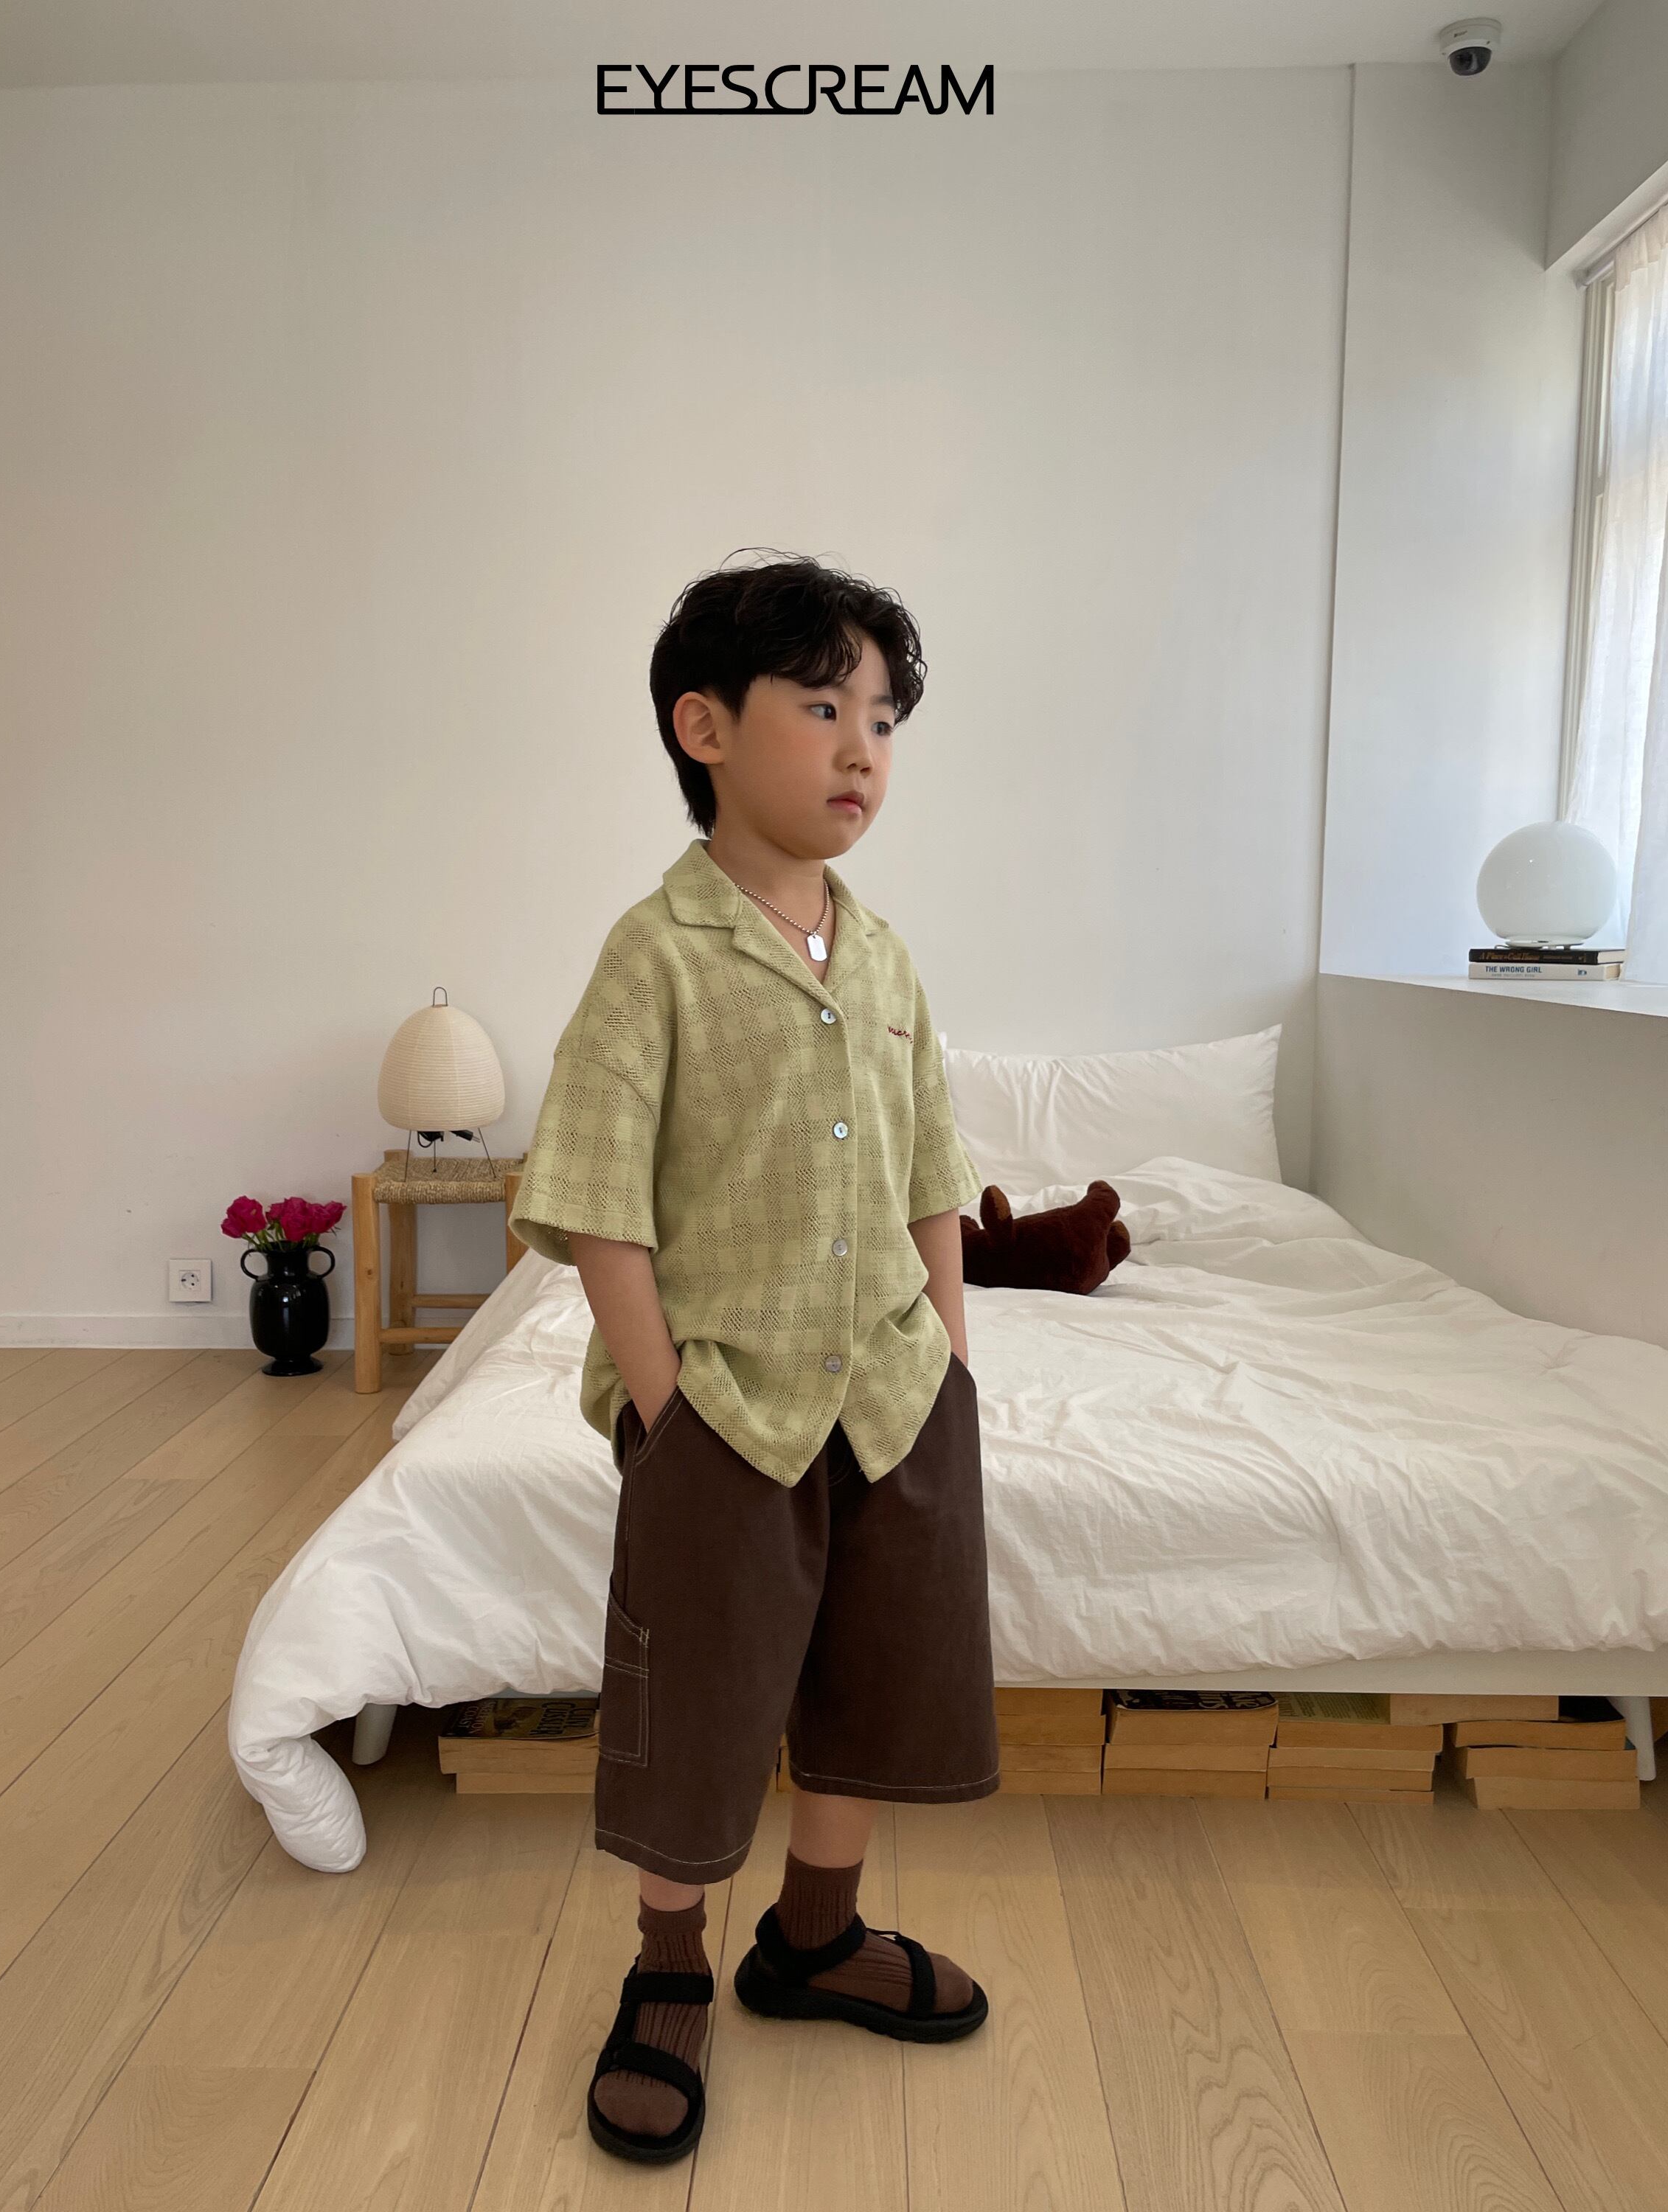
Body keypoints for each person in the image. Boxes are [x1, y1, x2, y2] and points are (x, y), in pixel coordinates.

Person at [509, 552, 1001, 2166]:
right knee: (703, 1702)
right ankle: (671, 1968)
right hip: (723, 1409)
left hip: (894, 1399)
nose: (863, 748)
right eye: (822, 706)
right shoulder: (652, 957)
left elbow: (932, 1171)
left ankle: (815, 1937)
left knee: (873, 1677)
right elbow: (597, 1200)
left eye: (884, 719)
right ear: (705, 727)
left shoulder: (888, 957)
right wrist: (670, 1414)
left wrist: (951, 1359)